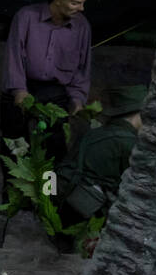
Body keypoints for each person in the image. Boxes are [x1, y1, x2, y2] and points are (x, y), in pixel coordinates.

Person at [0, 0, 97, 171]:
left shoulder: (82, 26)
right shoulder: (26, 17)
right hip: (22, 88)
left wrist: (78, 99)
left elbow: (82, 68)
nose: (81, 8)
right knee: (15, 148)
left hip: (56, 93)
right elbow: (14, 55)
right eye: (75, 3)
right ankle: (15, 200)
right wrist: (19, 89)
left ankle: (48, 198)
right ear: (57, 0)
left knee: (54, 151)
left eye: (82, 3)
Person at [53, 84, 145, 246]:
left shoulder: (96, 133)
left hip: (61, 202)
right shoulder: (127, 142)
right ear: (139, 114)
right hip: (80, 211)